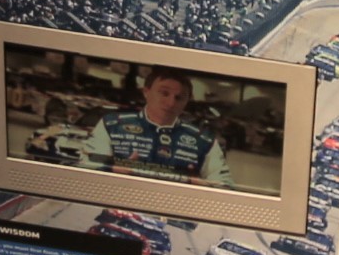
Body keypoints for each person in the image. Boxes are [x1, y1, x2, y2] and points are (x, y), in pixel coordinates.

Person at [51, 68, 235, 189]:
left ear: (187, 101)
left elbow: (225, 186)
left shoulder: (203, 140)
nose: (171, 102)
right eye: (164, 93)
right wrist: (112, 171)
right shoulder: (112, 125)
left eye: (179, 98)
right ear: (146, 92)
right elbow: (84, 170)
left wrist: (203, 187)